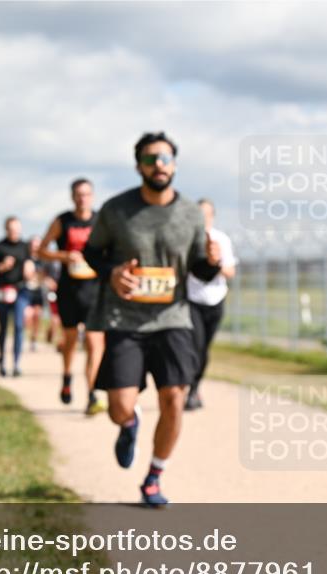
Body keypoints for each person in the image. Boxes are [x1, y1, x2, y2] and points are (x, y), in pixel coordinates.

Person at [83, 131, 223, 507]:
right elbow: (92, 253)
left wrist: (212, 262)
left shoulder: (191, 212)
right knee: (119, 407)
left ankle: (154, 477)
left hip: (173, 317)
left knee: (174, 398)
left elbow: (199, 271)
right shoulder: (115, 210)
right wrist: (112, 272)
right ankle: (129, 426)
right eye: (150, 159)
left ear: (174, 165)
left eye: (164, 159)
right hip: (124, 318)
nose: (158, 165)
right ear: (138, 166)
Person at [39, 178, 106, 414]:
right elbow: (42, 250)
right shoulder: (63, 221)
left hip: (94, 290)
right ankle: (67, 377)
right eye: (78, 194)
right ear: (72, 197)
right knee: (69, 341)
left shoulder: (100, 221)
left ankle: (92, 393)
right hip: (69, 290)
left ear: (92, 196)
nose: (82, 198)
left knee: (94, 342)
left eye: (87, 194)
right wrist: (65, 256)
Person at [184, 198, 238, 410]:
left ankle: (194, 388)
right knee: (194, 345)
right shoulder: (188, 239)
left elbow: (230, 272)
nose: (203, 218)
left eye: (206, 214)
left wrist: (214, 264)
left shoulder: (221, 240)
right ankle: (188, 386)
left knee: (204, 348)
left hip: (215, 300)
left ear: (212, 216)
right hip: (192, 300)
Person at [0, 216, 33, 376]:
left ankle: (16, 363)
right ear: (6, 229)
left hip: (20, 290)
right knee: (3, 327)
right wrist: (1, 266)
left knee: (19, 326)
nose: (14, 232)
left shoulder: (24, 247)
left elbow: (29, 263)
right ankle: (1, 361)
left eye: (17, 229)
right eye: (11, 229)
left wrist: (29, 269)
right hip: (2, 290)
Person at [24, 236, 47, 352]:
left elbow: (47, 275)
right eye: (33, 245)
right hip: (27, 290)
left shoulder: (43, 260)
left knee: (37, 316)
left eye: (37, 245)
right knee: (27, 316)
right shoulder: (25, 258)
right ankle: (24, 337)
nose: (35, 247)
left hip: (39, 291)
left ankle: (33, 340)